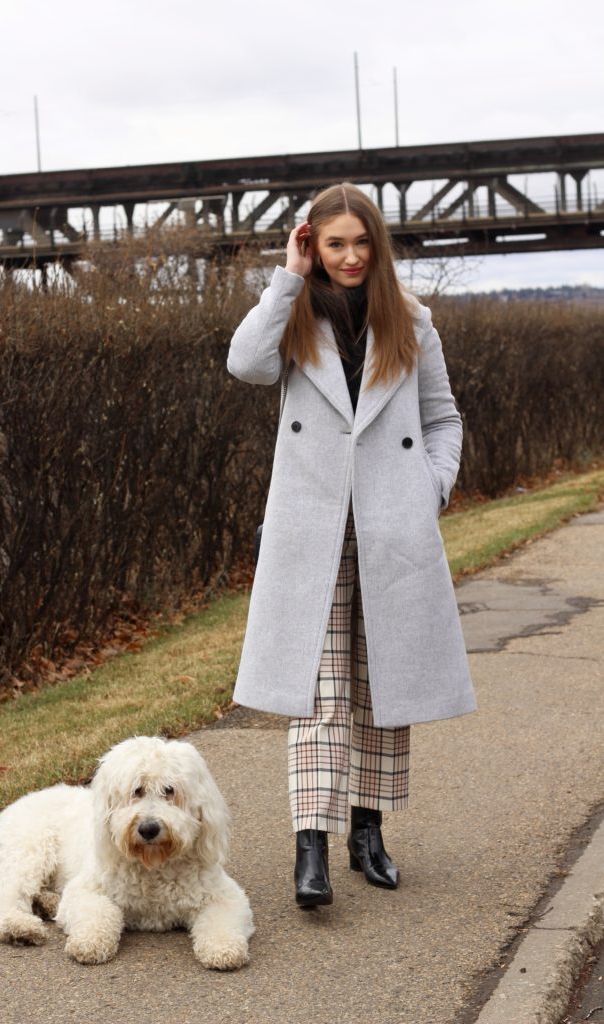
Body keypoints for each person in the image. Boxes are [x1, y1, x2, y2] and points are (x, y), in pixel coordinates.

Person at [226, 182, 476, 907]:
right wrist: (285, 276)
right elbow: (244, 364)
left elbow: (442, 418)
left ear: (378, 245)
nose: (350, 256)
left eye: (360, 242)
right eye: (333, 243)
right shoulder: (292, 315)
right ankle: (311, 845)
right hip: (312, 530)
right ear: (312, 244)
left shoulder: (412, 323)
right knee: (320, 691)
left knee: (380, 686)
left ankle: (367, 831)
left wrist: (428, 489)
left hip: (390, 528)